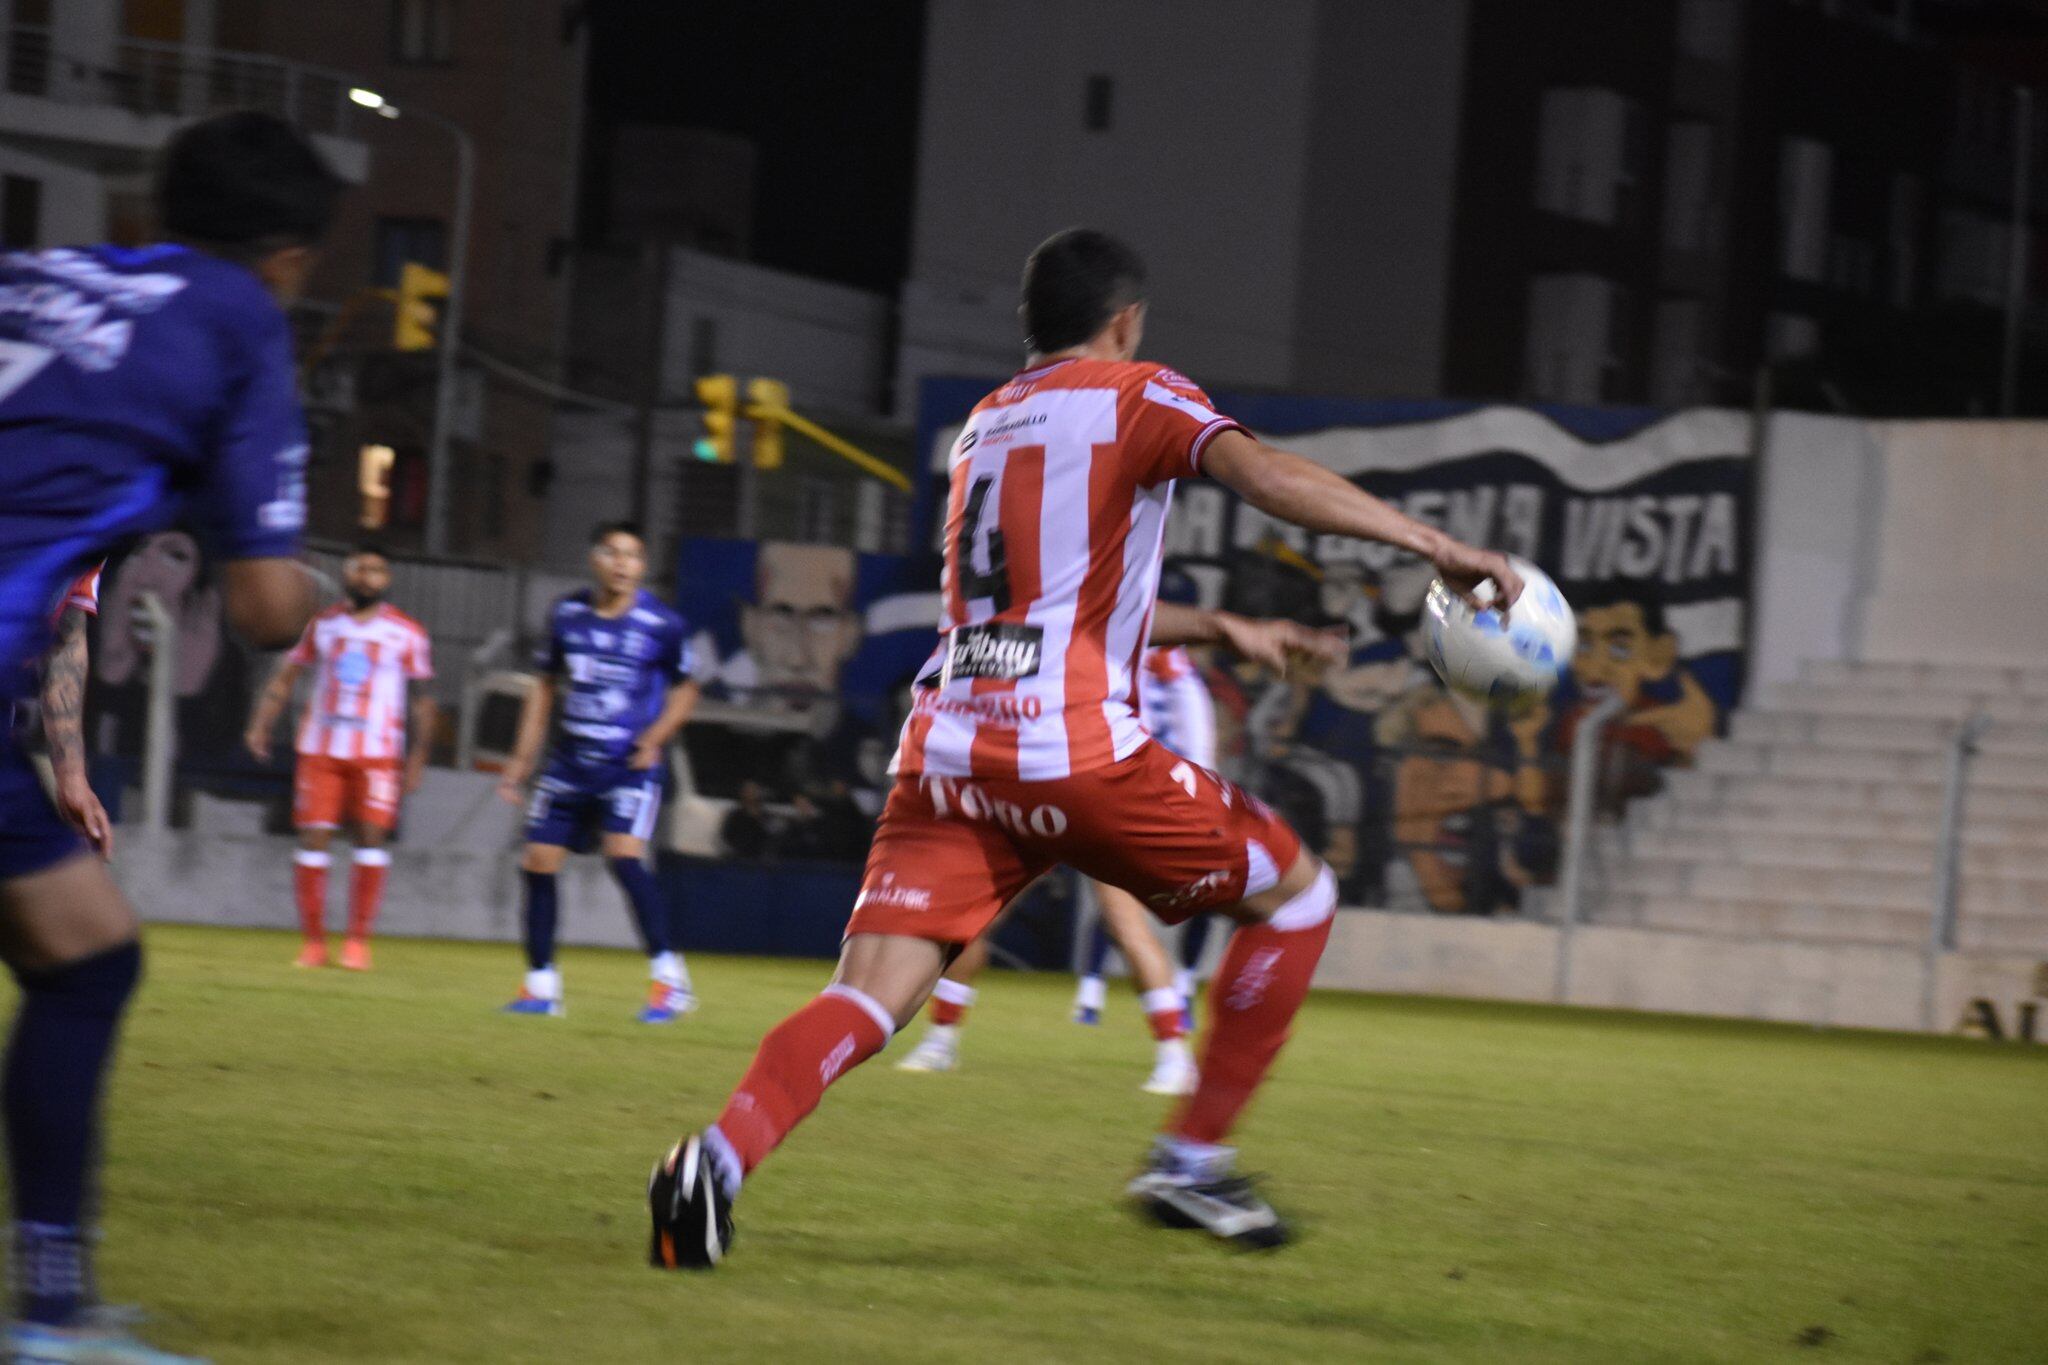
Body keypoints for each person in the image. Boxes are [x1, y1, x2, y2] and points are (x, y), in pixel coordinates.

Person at [647, 227, 1520, 1268]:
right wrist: (1439, 547)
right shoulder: (1137, 394)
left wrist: (1218, 628)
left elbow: (1041, 604)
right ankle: (1189, 1162)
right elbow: (1266, 474)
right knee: (1297, 897)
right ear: (1124, 320)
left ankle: (714, 1162)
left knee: (865, 993)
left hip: (949, 749)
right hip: (1070, 751)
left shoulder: (982, 426)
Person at [0, 111, 330, 1361]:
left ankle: (53, 1312)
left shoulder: (34, 275)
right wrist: (299, 584)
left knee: (82, 942)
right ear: (292, 255)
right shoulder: (238, 318)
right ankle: (47, 1321)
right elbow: (257, 608)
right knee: (85, 967)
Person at [893, 622, 1247, 1097]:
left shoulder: (1154, 653)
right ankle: (941, 1041)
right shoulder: (1070, 634)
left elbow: (1194, 730)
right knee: (974, 921)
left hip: (1106, 793)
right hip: (1036, 783)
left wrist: (1184, 794)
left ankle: (1175, 1057)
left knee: (1124, 924)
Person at [496, 522, 701, 1023]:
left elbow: (687, 688)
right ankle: (542, 987)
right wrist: (521, 761)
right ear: (594, 559)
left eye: (632, 555)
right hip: (568, 763)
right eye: (612, 553)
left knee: (625, 858)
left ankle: (671, 982)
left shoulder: (661, 624)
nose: (622, 563)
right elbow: (543, 686)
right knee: (538, 861)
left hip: (627, 766)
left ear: (643, 565)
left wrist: (654, 738)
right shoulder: (567, 615)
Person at [244, 544, 436, 970]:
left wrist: (418, 758)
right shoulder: (323, 626)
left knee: (370, 837)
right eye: (361, 567)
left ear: (387, 580)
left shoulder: (406, 632)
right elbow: (287, 675)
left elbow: (423, 701)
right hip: (321, 750)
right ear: (347, 574)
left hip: (378, 754)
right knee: (314, 838)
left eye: (378, 568)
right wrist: (261, 723)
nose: (369, 575)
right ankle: (313, 943)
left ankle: (357, 942)